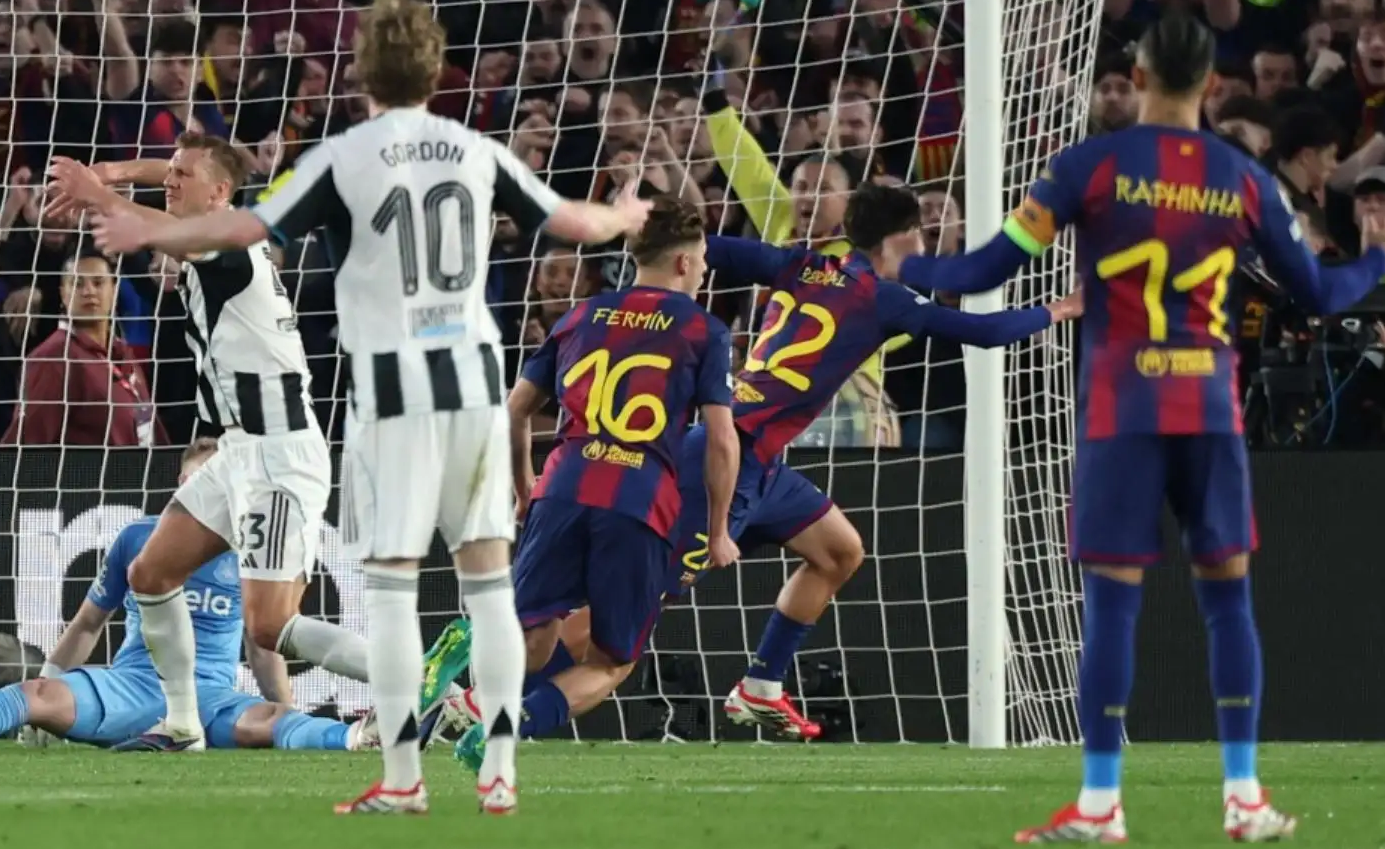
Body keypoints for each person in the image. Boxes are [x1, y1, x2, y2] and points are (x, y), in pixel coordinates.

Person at [90, 0, 651, 816]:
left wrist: (142, 227)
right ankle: (499, 769)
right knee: (487, 584)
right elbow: (572, 221)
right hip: (472, 388)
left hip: (389, 395)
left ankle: (403, 779)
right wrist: (625, 214)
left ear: (361, 73)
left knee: (390, 589)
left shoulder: (345, 158)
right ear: (436, 69)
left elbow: (244, 228)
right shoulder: (473, 149)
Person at [899, 9, 1385, 844]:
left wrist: (903, 263)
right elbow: (1316, 293)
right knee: (1228, 602)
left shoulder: (1087, 168)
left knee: (1112, 608)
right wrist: (1377, 253)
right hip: (1208, 411)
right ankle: (1244, 797)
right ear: (1212, 83)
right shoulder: (1242, 178)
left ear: (1135, 76)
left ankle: (1101, 803)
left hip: (1120, 412)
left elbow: (985, 269)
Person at [431, 183, 1078, 750]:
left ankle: (761, 685)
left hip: (760, 460)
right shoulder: (886, 299)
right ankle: (484, 698)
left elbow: (700, 246)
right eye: (920, 236)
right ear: (903, 239)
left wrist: (639, 217)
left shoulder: (799, 265)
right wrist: (1064, 308)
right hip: (722, 460)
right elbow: (986, 333)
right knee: (612, 624)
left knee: (840, 552)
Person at [45, 132, 363, 745]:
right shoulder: (222, 231)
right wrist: (112, 171)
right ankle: (183, 721)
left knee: (269, 628)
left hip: (278, 455)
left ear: (218, 194)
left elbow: (162, 228)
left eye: (183, 176)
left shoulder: (229, 246)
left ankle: (418, 681)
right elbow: (173, 186)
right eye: (170, 172)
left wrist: (97, 194)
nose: (169, 181)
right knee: (150, 573)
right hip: (238, 450)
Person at [442, 196, 739, 771]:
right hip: (638, 499)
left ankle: (465, 643)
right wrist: (720, 530)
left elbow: (514, 410)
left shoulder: (582, 314)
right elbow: (722, 441)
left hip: (564, 485)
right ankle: (509, 724)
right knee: (611, 661)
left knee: (533, 641)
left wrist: (525, 485)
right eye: (702, 260)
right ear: (683, 263)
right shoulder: (704, 329)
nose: (704, 271)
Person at [0, 439, 375, 754]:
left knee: (267, 722)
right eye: (197, 481)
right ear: (182, 486)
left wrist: (283, 710)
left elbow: (262, 647)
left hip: (211, 698)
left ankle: (355, 736)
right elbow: (89, 623)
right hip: (129, 688)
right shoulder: (140, 539)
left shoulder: (253, 551)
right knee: (34, 695)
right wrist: (51, 684)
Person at [2, 250, 164, 447]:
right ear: (63, 294)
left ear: (114, 290)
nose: (89, 291)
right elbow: (24, 445)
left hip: (142, 465)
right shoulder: (54, 359)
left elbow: (148, 425)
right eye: (78, 284)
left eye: (98, 283)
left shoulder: (123, 354)